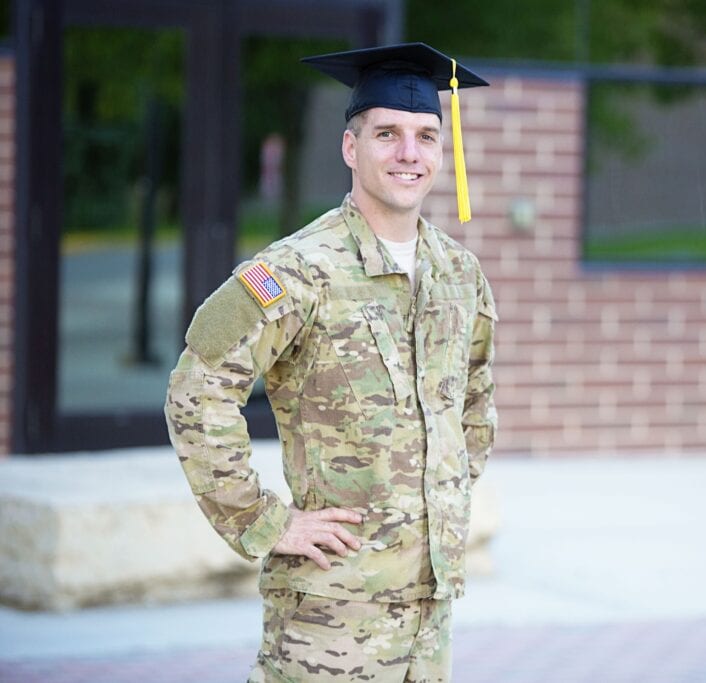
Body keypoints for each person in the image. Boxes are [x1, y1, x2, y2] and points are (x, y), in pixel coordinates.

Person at [164, 42, 498, 683]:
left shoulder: (460, 275)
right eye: (387, 134)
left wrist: (443, 499)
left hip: (431, 614)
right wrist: (262, 520)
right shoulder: (295, 270)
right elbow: (196, 390)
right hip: (329, 619)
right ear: (351, 147)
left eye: (427, 136)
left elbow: (475, 400)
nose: (410, 153)